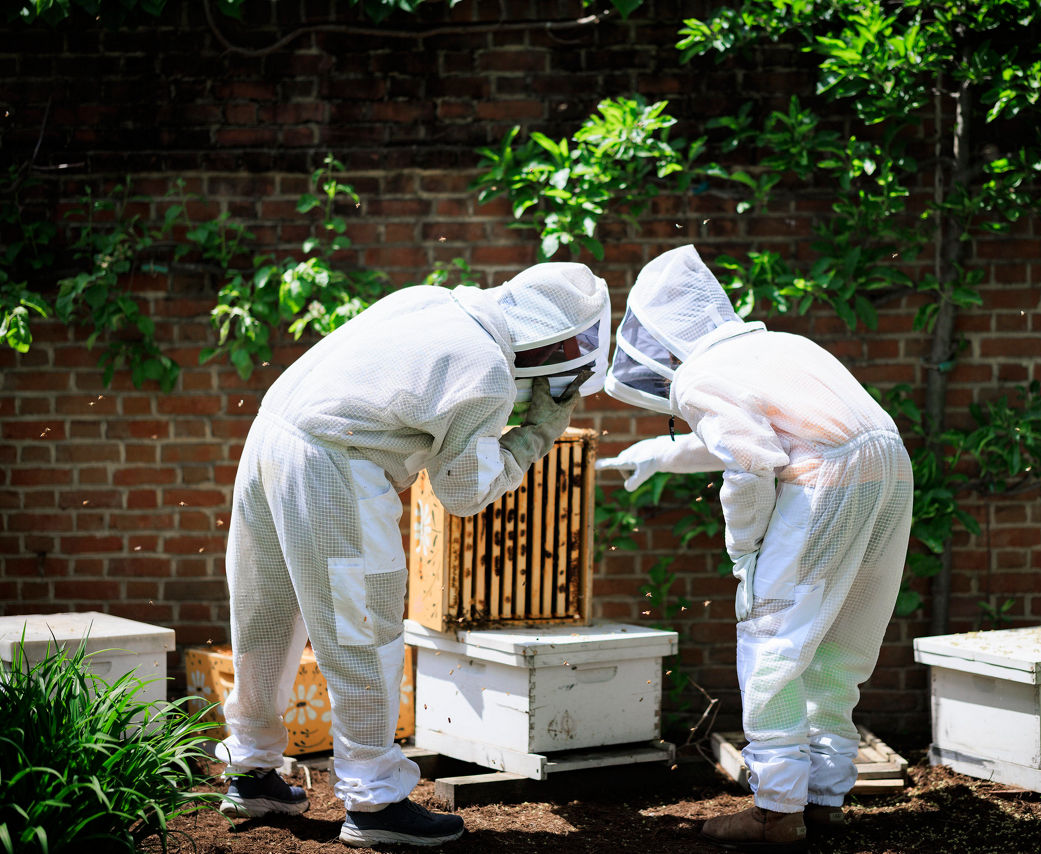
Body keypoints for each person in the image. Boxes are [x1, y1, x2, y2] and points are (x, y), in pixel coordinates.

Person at [218, 262, 610, 849]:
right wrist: (535, 435)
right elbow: (465, 492)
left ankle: (250, 772)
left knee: (267, 615)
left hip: (271, 436)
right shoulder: (486, 374)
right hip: (334, 465)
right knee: (364, 632)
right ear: (553, 340)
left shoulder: (436, 301)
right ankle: (374, 801)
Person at [597, 245, 912, 853]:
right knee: (842, 640)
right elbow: (780, 433)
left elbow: (749, 463)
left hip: (825, 481)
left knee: (774, 637)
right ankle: (822, 799)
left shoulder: (698, 374)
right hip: (888, 467)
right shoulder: (781, 345)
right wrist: (661, 454)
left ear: (664, 338)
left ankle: (776, 811)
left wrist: (747, 552)